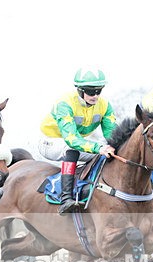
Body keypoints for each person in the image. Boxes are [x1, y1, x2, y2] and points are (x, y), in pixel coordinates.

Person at [39, 67, 118, 215]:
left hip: (78, 142)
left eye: (98, 91)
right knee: (73, 150)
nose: (95, 96)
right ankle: (66, 199)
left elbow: (113, 135)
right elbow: (71, 139)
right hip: (50, 142)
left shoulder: (105, 105)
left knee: (107, 153)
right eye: (90, 91)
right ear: (80, 90)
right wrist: (99, 148)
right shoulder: (64, 104)